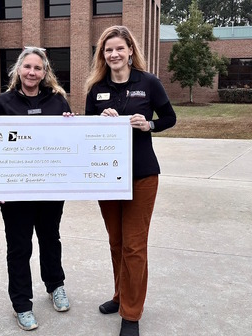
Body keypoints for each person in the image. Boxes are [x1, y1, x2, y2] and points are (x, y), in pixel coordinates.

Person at [84, 26, 177, 336]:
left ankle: (131, 314)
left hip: (142, 175)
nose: (114, 54)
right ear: (103, 55)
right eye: (108, 50)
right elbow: (86, 130)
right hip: (107, 177)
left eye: (119, 48)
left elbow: (169, 118)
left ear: (130, 51)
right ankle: (120, 295)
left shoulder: (149, 83)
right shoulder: (96, 88)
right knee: (117, 242)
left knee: (134, 246)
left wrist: (148, 123)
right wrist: (99, 121)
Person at [0, 47, 72, 331]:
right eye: (27, 67)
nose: (32, 72)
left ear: (45, 72)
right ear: (18, 70)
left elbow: (68, 142)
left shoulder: (58, 101)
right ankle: (21, 304)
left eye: (38, 68)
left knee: (51, 239)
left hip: (50, 188)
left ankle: (55, 285)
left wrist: (72, 127)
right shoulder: (2, 102)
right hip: (15, 193)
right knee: (19, 248)